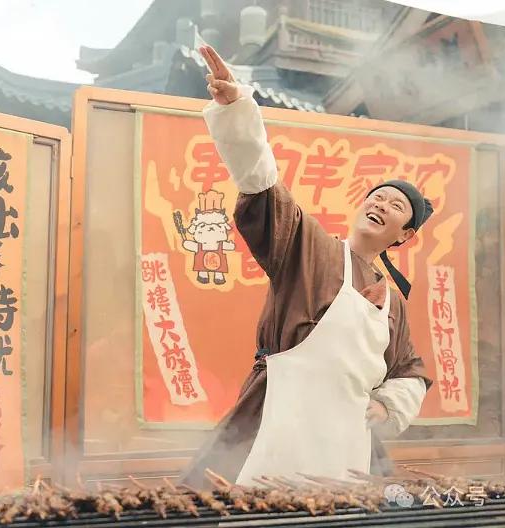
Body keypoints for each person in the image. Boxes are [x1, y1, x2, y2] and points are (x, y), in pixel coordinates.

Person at [181, 46, 433, 488]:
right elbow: (265, 189)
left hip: (345, 439)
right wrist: (238, 111)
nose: (381, 204)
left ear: (404, 235)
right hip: (278, 418)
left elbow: (409, 369)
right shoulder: (310, 248)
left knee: (337, 509)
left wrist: (388, 405)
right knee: (253, 508)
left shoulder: (392, 303)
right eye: (377, 197)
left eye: (396, 206)